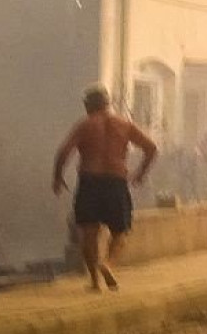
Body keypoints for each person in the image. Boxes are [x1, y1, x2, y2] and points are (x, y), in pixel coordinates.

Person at [53, 84, 158, 292]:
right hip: (116, 181)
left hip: (90, 181)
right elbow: (151, 148)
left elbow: (64, 151)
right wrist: (140, 174)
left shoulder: (85, 125)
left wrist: (57, 177)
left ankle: (94, 282)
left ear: (88, 105)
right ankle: (108, 264)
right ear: (107, 103)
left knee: (88, 233)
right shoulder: (124, 124)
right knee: (120, 231)